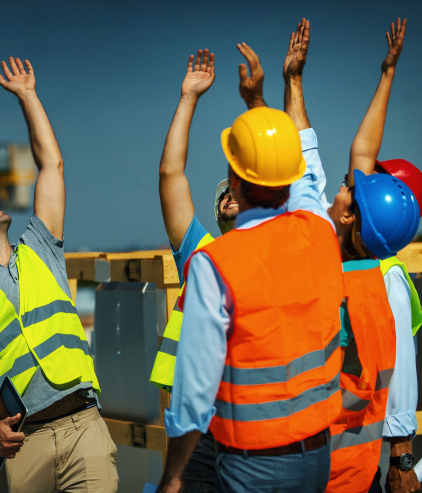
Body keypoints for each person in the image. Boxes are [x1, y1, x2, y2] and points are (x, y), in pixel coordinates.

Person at [157, 41, 345, 493]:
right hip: (317, 455)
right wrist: (258, 104)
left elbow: (196, 387)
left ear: (239, 184)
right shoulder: (320, 233)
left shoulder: (212, 262)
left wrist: (173, 476)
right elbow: (302, 177)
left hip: (249, 460)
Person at [0, 57, 118, 493]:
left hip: (82, 427)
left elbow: (51, 166)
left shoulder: (40, 249)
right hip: (18, 446)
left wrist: (28, 96)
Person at [282, 18, 422, 493]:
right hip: (356, 470)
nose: (342, 185)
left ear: (347, 218)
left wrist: (286, 86)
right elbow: (361, 154)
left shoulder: (325, 260)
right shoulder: (377, 280)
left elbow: (301, 163)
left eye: (345, 189)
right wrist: (387, 73)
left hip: (319, 470)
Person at [150, 48, 236, 493]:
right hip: (200, 427)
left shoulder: (279, 251)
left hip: (252, 422)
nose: (231, 195)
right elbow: (171, 175)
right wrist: (188, 99)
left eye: (239, 187)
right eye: (223, 194)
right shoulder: (200, 252)